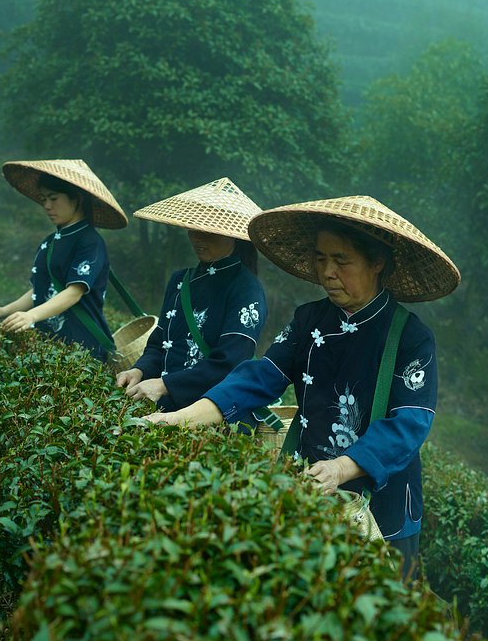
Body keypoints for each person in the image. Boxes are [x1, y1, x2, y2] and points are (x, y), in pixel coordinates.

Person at [144, 195, 460, 579]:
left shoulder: (410, 336)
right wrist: (180, 418)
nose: (328, 272)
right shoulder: (308, 319)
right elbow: (259, 377)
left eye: (341, 260)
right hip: (312, 492)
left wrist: (342, 468)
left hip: (383, 510)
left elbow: (410, 424)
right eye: (321, 258)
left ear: (377, 262)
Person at [115, 178, 268, 417]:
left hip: (210, 415)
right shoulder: (180, 280)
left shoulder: (246, 289)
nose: (198, 237)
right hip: (162, 409)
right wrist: (140, 371)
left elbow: (230, 363)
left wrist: (164, 384)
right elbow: (159, 343)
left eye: (209, 231)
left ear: (233, 234)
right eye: (194, 228)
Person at [0, 159, 128, 362]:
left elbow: (74, 292)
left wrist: (31, 316)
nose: (47, 205)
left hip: (81, 348)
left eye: (53, 198)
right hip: (49, 343)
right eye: (43, 199)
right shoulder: (50, 242)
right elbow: (41, 290)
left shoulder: (90, 241)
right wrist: (4, 310)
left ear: (77, 199)